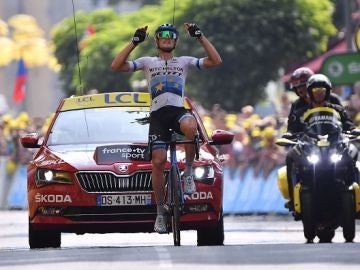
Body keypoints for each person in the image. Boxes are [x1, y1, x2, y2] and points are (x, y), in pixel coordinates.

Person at [111, 23, 222, 233]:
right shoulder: (147, 62)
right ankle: (160, 212)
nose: (167, 39)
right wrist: (134, 42)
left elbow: (216, 61)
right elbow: (116, 66)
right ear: (156, 41)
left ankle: (188, 172)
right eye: (162, 36)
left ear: (176, 41)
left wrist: (200, 37)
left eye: (171, 36)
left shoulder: (185, 62)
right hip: (158, 117)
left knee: (191, 125)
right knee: (159, 161)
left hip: (177, 112)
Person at [284, 73, 359, 211]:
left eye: (322, 91)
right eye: (315, 91)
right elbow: (292, 127)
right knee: (289, 156)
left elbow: (348, 124)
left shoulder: (337, 107)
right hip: (311, 144)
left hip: (335, 142)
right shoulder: (300, 110)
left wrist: (354, 130)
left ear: (328, 92)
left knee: (354, 153)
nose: (319, 94)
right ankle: (293, 199)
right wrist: (289, 134)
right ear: (310, 92)